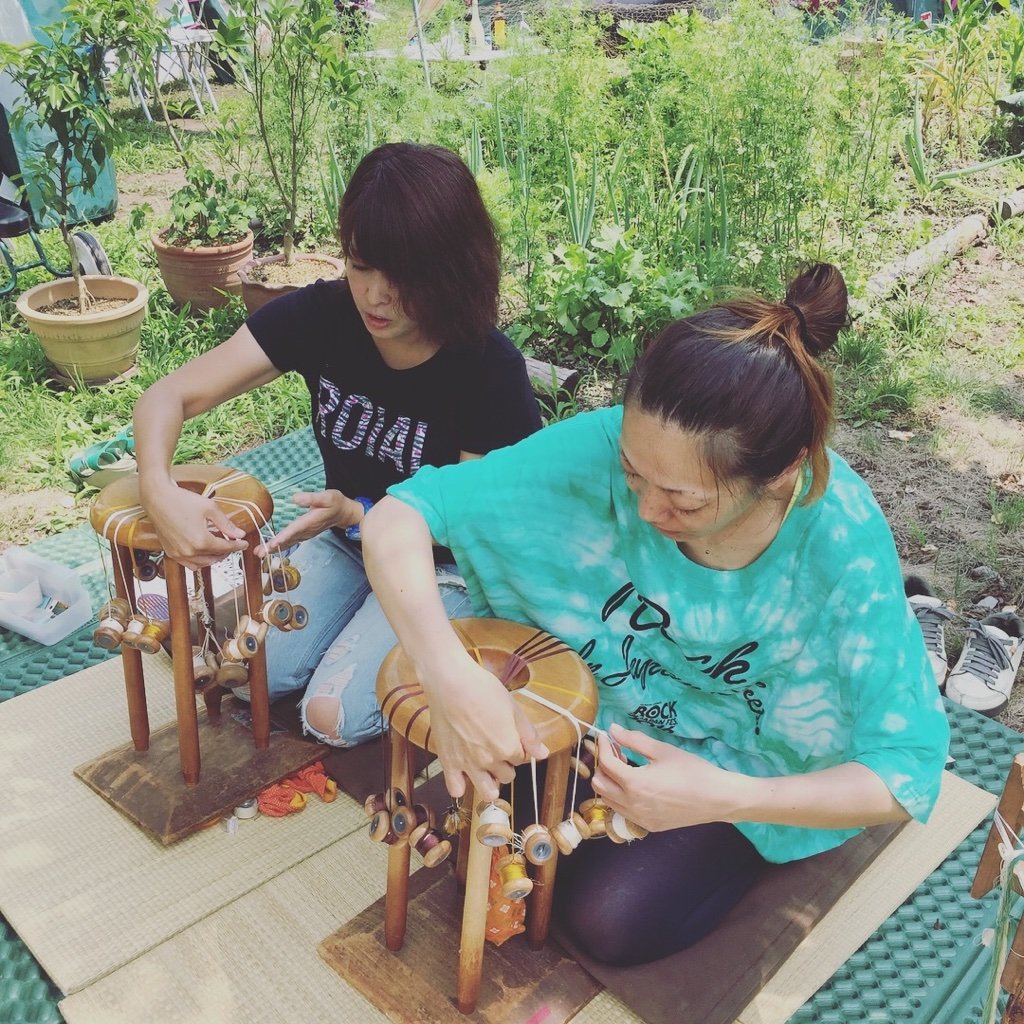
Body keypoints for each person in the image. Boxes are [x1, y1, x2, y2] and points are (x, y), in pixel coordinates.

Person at [361, 262, 950, 965]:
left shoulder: (840, 540)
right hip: (611, 722)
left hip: (747, 765)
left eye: (683, 500)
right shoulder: (608, 444)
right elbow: (401, 515)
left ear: (782, 474)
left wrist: (723, 797)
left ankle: (748, 831)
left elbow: (906, 771)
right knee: (480, 850)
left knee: (610, 919)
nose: (643, 510)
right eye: (633, 475)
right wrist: (446, 674)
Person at [133, 141, 543, 748]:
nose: (376, 295)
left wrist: (359, 513)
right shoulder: (322, 316)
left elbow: (474, 529)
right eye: (361, 265)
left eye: (402, 276)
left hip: (444, 571)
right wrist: (158, 489)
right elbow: (167, 396)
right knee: (242, 667)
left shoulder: (488, 371)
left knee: (330, 715)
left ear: (452, 268)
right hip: (343, 543)